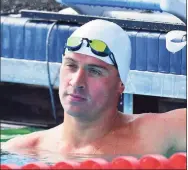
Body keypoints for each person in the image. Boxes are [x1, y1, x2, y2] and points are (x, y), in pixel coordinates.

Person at [2, 19, 186, 157]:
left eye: (95, 71)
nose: (77, 81)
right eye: (71, 66)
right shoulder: (24, 150)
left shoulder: (154, 134)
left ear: (121, 84)